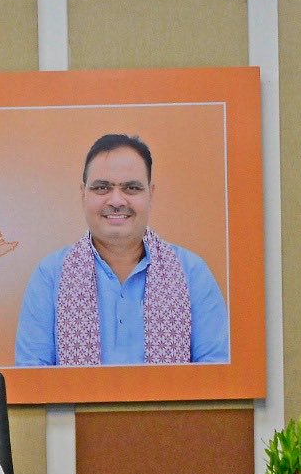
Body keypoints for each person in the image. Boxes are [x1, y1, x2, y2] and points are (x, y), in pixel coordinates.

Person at [14, 134, 228, 366]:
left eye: (132, 188)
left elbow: (216, 372)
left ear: (151, 194)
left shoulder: (191, 273)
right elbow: (33, 374)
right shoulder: (51, 275)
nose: (116, 201)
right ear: (83, 194)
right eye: (102, 188)